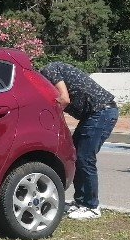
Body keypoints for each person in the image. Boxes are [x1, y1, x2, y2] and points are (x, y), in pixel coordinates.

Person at [39, 61, 119, 220]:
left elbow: (64, 99)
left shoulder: (49, 71)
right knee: (76, 155)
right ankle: (81, 202)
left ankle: (92, 206)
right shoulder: (51, 73)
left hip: (101, 112)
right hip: (93, 114)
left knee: (85, 158)